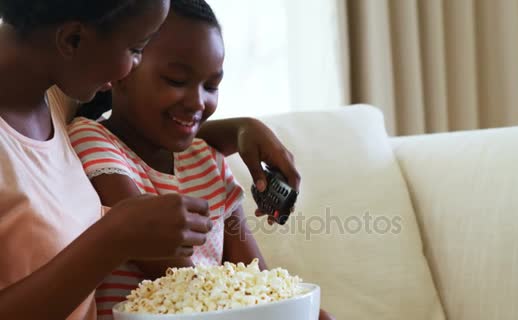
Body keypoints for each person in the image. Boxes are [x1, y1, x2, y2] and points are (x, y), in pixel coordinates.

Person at [0, 1, 299, 319]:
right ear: (72, 40)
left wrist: (241, 129)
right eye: (135, 48)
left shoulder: (54, 88)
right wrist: (115, 236)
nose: (131, 67)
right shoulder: (63, 82)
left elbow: (140, 133)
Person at [69, 1, 333, 319]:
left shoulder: (209, 161)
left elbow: (253, 278)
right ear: (123, 70)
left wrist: (295, 309)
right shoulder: (92, 140)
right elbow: (174, 276)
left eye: (211, 86)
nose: (198, 102)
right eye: (177, 81)